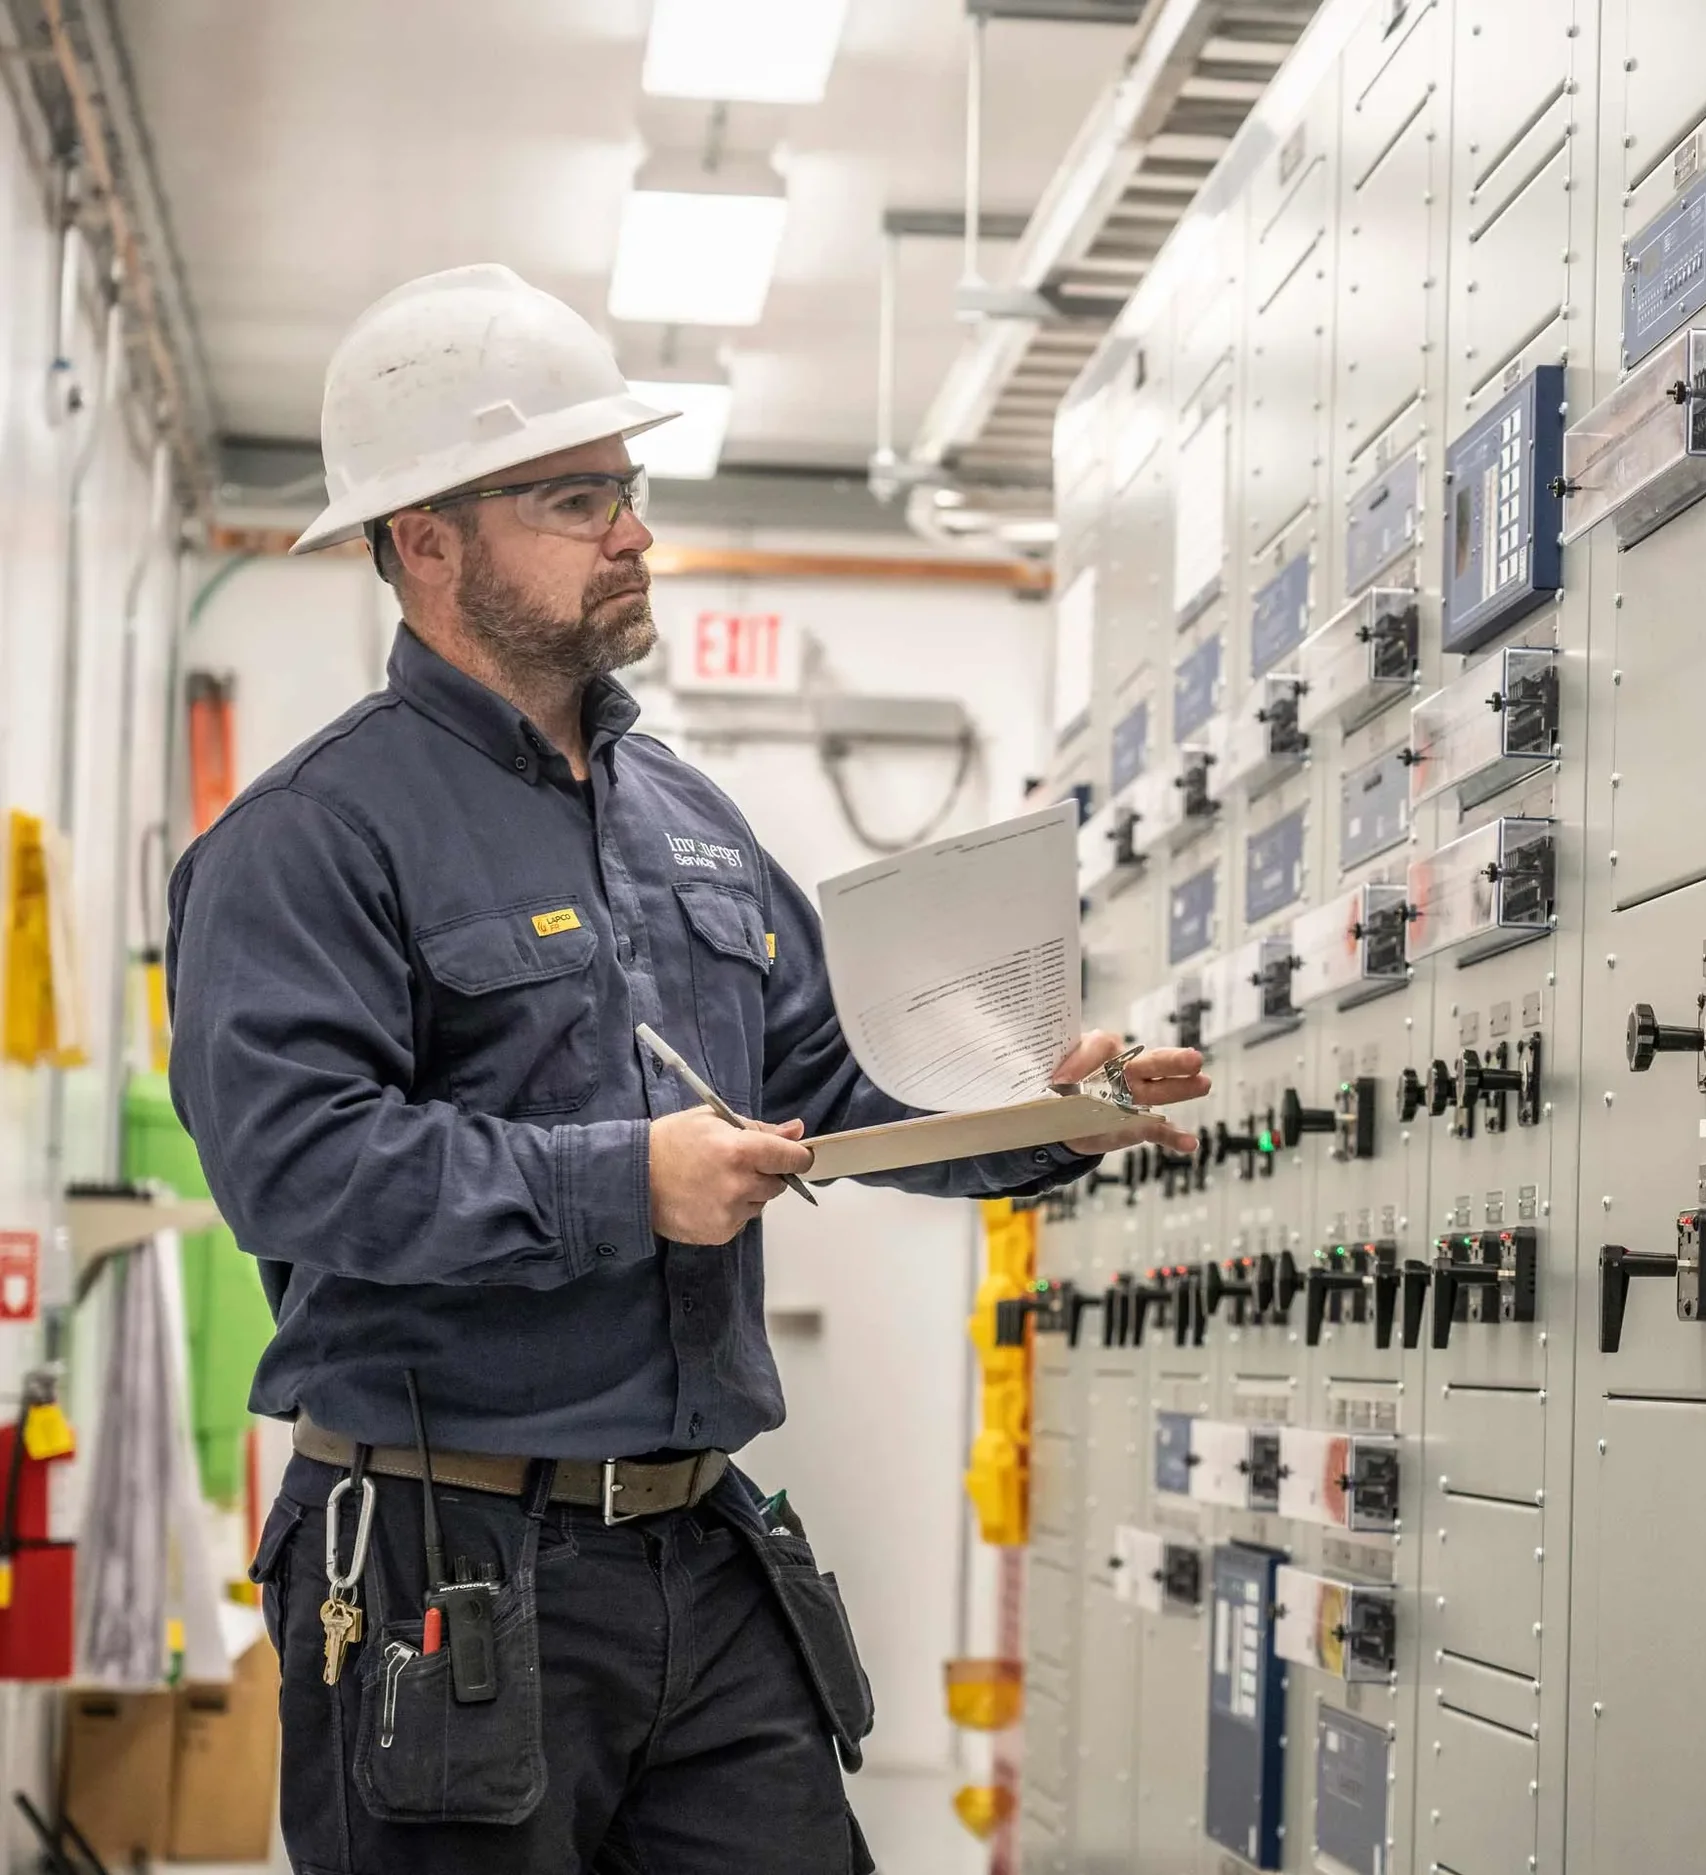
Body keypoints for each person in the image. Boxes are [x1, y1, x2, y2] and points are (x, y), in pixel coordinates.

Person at [164, 263, 1203, 1875]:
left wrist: (1049, 1115)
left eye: (627, 491)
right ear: (426, 541)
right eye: (573, 498)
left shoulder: (690, 825)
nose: (632, 530)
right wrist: (625, 1181)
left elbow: (836, 1099)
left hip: (700, 1560)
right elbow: (298, 1164)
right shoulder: (311, 841)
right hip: (445, 1570)